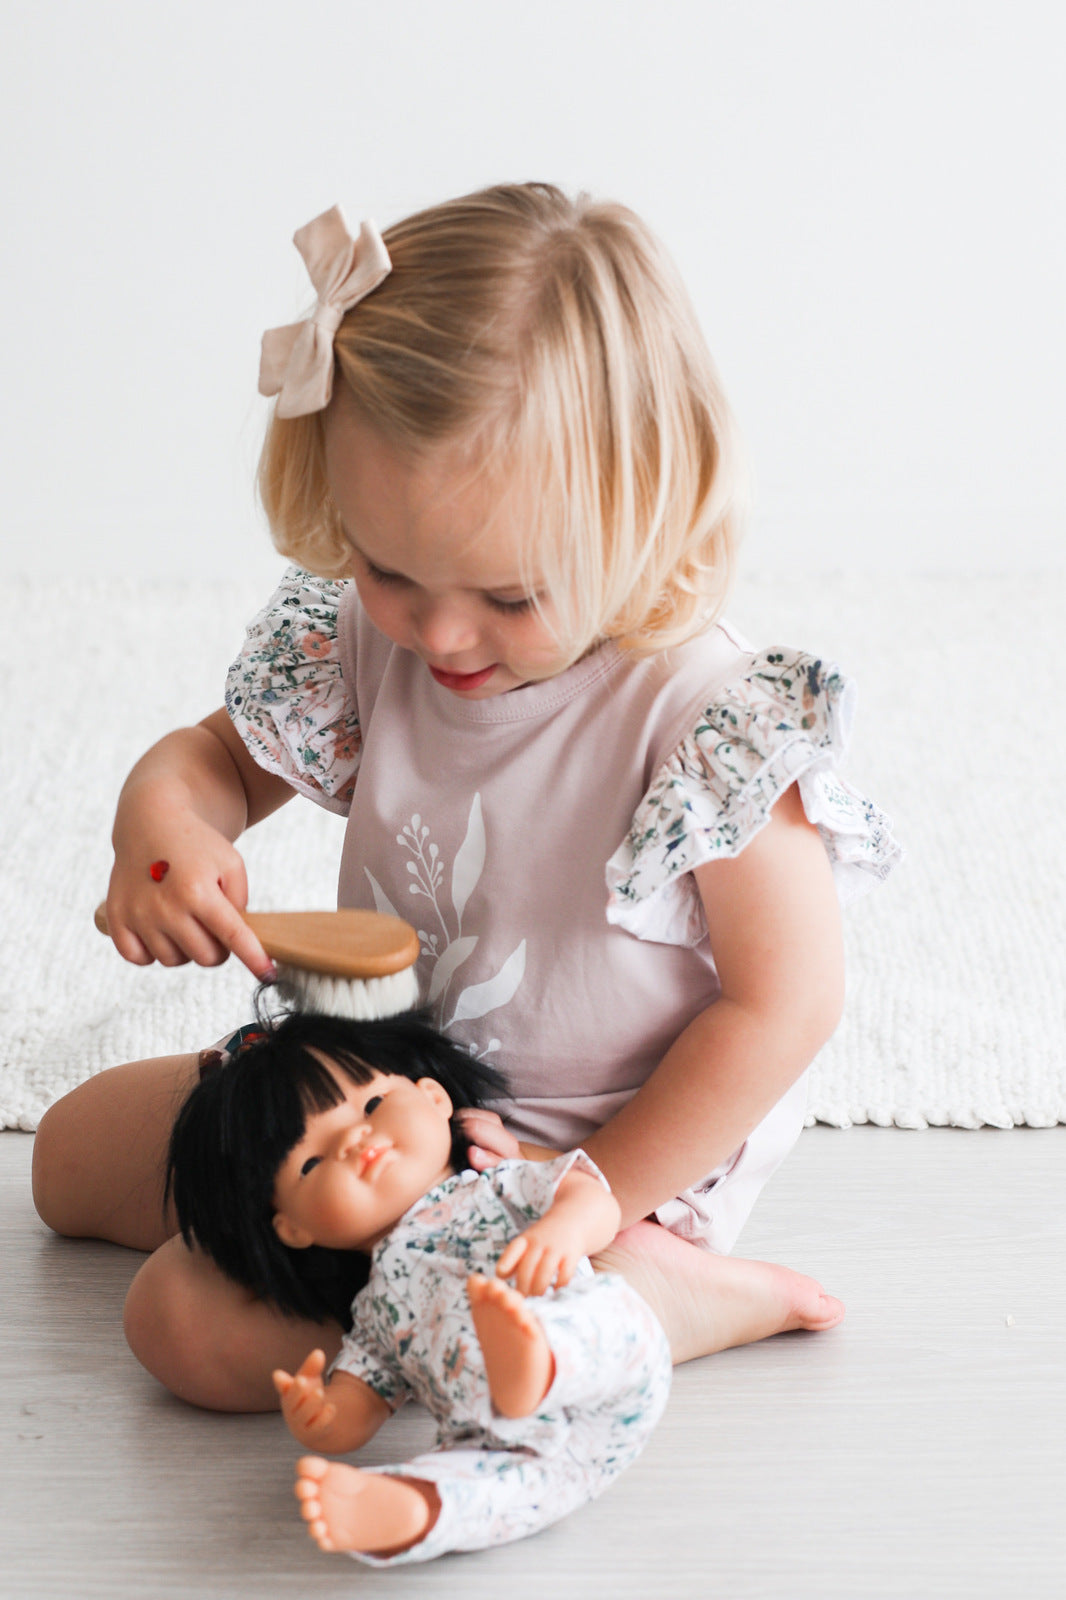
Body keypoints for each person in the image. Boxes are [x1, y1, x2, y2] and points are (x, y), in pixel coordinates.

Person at [33, 184, 897, 1410]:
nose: (440, 631)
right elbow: (213, 761)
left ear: (644, 504)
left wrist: (599, 1185)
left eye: (509, 594)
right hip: (369, 1094)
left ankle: (641, 1298)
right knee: (70, 1161)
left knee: (180, 1322)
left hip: (567, 1152)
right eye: (389, 567)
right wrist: (166, 828)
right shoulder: (381, 636)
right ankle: (419, 1290)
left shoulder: (705, 716)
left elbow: (786, 1004)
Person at [166, 1006, 672, 1564]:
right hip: (507, 1442)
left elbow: (592, 1196)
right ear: (293, 1228)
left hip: (610, 1380)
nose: (357, 1140)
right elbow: (364, 1397)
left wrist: (563, 1232)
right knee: (484, 1491)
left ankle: (540, 1357)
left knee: (614, 1313)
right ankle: (411, 1507)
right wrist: (324, 1419)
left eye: (373, 1104)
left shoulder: (497, 1187)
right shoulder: (377, 1311)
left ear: (433, 1097)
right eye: (311, 1162)